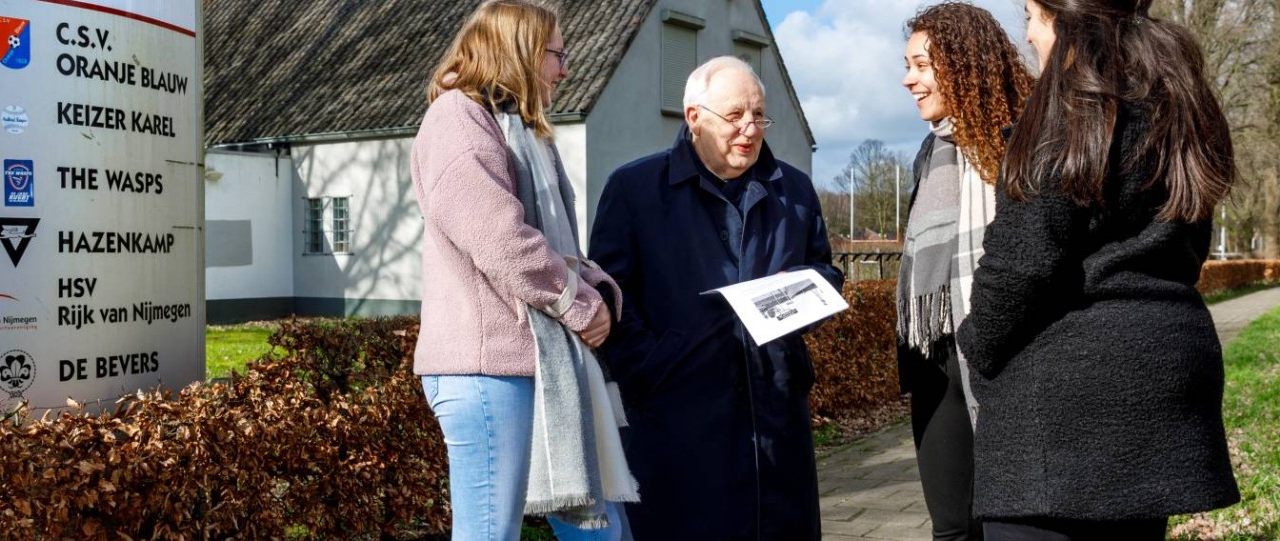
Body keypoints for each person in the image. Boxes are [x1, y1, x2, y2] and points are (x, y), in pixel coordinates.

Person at [956, 0, 1241, 538]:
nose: (1030, 39)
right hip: (1164, 368)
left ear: (1063, 19)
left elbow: (1022, 261)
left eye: (1030, 19)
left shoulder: (1066, 108)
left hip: (1066, 399)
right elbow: (1190, 244)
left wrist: (976, 344)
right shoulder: (1176, 101)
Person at [588, 56, 844, 540]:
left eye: (759, 115)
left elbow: (826, 269)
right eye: (734, 116)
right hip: (677, 421)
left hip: (776, 417)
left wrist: (803, 294)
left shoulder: (794, 189)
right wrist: (655, 366)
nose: (750, 128)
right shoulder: (634, 189)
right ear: (694, 118)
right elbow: (611, 294)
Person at [408, 1, 635, 540]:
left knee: (600, 530)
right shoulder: (457, 119)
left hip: (546, 366)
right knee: (491, 532)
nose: (565, 68)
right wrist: (579, 305)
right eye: (557, 53)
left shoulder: (528, 133)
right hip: (488, 371)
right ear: (521, 52)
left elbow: (558, 248)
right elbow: (499, 238)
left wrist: (598, 290)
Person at [895, 3, 1034, 540]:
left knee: (1006, 521)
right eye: (907, 65)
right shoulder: (930, 153)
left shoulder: (1021, 142)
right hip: (936, 361)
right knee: (950, 525)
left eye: (921, 64)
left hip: (1003, 354)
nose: (908, 79)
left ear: (962, 62)